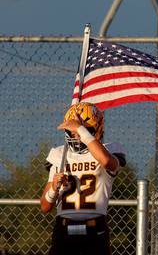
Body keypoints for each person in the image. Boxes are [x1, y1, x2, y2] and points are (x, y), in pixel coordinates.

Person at [41, 102, 126, 255]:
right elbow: (45, 207)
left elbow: (107, 161)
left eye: (84, 130)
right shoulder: (60, 155)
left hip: (95, 230)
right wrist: (54, 188)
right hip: (63, 230)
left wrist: (80, 129)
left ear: (97, 130)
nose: (77, 136)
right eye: (72, 132)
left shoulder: (107, 152)